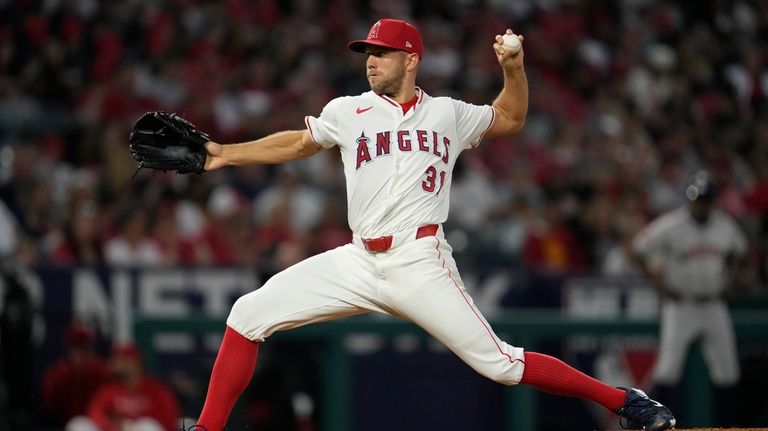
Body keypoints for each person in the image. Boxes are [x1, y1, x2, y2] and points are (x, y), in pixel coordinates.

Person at [184, 19, 675, 431]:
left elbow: (511, 117)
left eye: (382, 52)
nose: (370, 60)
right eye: (367, 52)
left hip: (420, 260)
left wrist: (514, 69)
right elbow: (296, 142)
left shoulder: (447, 114)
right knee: (247, 315)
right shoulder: (348, 110)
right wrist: (224, 154)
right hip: (358, 258)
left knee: (501, 366)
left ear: (411, 59)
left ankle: (624, 402)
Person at [631, 170, 747, 426]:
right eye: (698, 199)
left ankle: (729, 426)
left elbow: (740, 250)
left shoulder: (723, 224)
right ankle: (656, 423)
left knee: (728, 371)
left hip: (715, 304)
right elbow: (638, 248)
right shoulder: (673, 224)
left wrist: (732, 279)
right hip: (681, 305)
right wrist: (659, 285)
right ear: (690, 199)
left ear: (713, 200)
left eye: (706, 200)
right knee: (668, 370)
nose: (702, 205)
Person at [66, 344, 181, 431]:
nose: (116, 364)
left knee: (147, 426)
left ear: (135, 362)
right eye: (116, 359)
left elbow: (169, 422)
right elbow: (94, 414)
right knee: (78, 424)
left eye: (122, 359)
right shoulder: (109, 391)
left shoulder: (157, 391)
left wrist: (132, 424)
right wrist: (114, 425)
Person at [42, 321, 110, 427]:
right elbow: (49, 405)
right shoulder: (59, 372)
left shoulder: (101, 370)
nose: (81, 352)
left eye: (84, 347)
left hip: (98, 424)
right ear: (70, 348)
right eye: (77, 347)